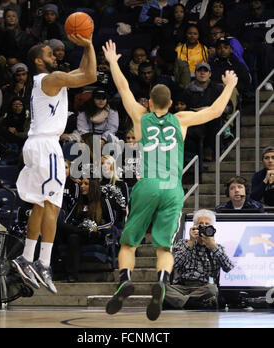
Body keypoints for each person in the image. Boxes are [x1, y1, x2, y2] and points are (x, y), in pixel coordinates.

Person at [102, 39, 238, 321]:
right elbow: (214, 112)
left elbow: (124, 88)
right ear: (172, 103)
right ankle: (162, 282)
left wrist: (114, 62)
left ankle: (125, 279)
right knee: (164, 246)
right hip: (173, 188)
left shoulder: (141, 116)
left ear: (150, 102)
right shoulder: (182, 119)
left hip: (147, 184)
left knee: (129, 244)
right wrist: (228, 87)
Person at [11, 33, 97, 294]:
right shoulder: (50, 78)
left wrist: (85, 48)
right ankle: (44, 262)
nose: (56, 55)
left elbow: (83, 70)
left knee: (39, 205)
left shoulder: (49, 80)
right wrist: (89, 45)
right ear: (39, 61)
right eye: (50, 54)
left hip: (39, 144)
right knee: (52, 205)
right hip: (46, 145)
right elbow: (90, 76)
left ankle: (27, 257)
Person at [164, 209, 234, 309]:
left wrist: (212, 246)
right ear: (194, 226)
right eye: (200, 224)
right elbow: (173, 264)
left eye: (207, 224)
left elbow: (228, 267)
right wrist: (190, 243)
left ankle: (182, 302)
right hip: (181, 287)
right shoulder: (183, 244)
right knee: (162, 289)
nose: (204, 227)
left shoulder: (216, 247)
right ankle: (192, 303)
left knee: (212, 289)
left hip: (203, 288)